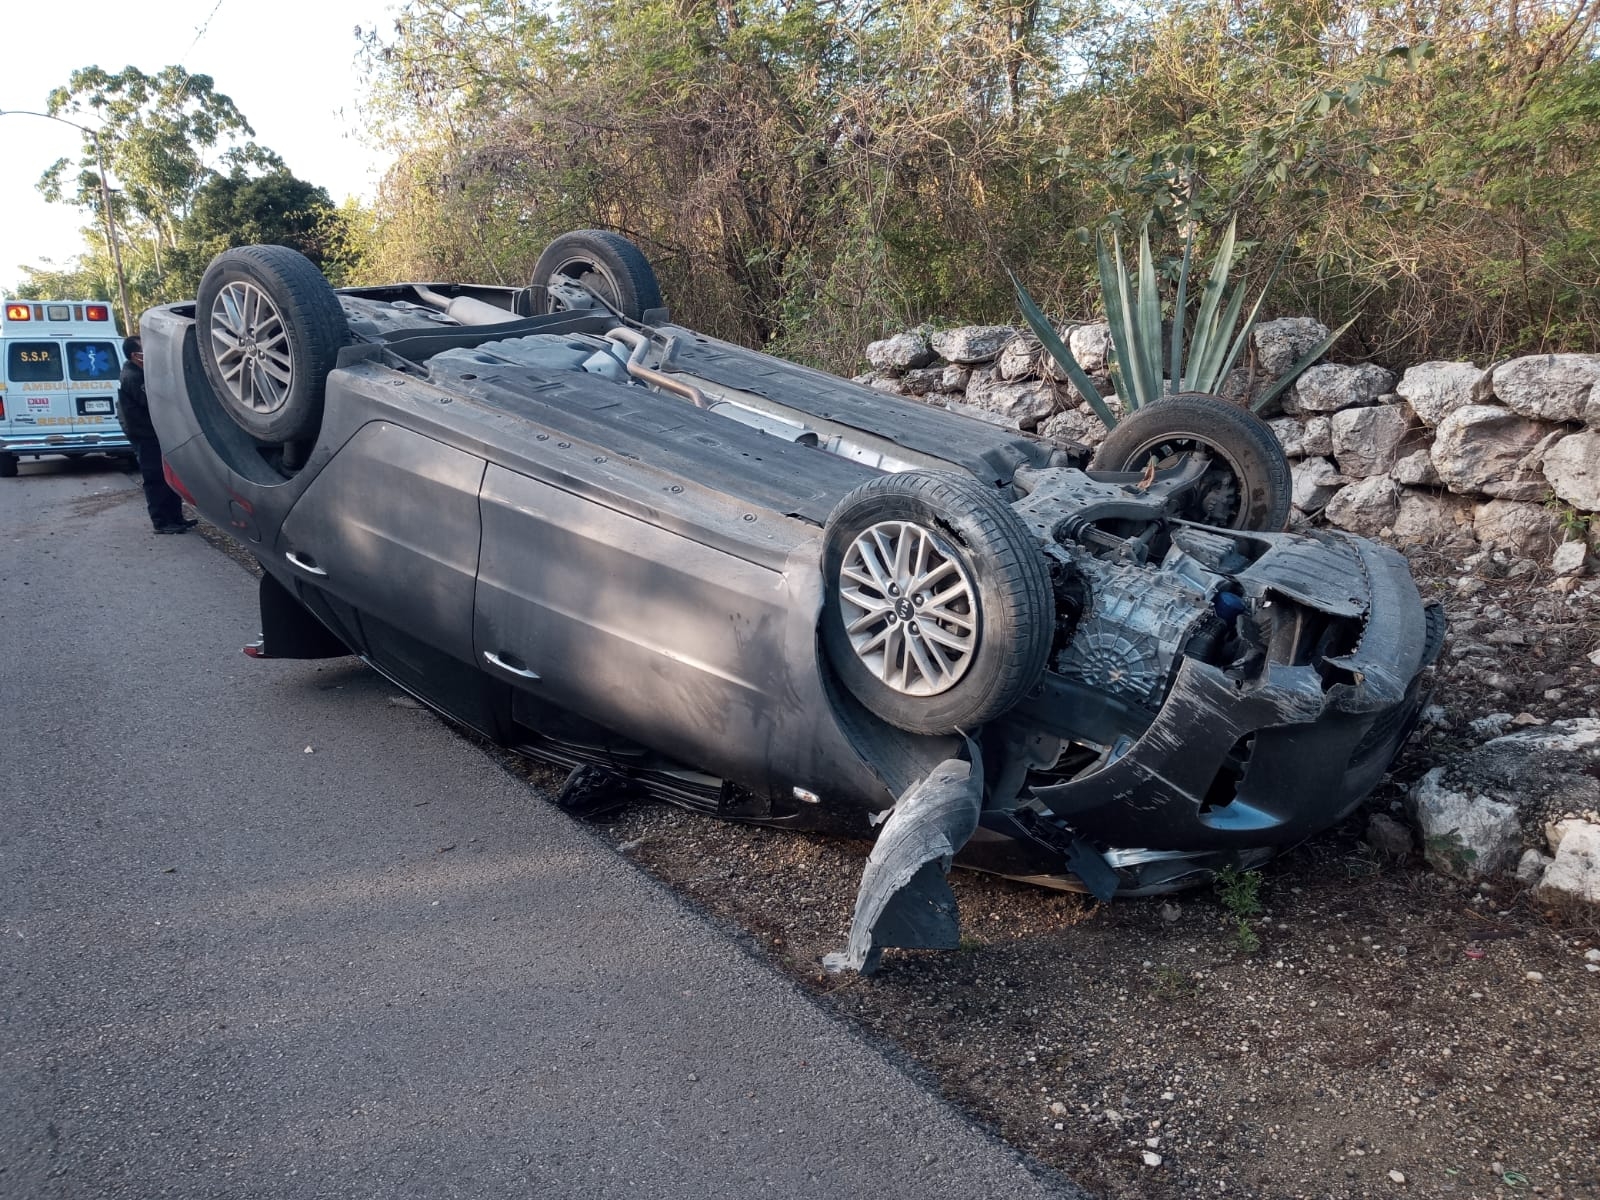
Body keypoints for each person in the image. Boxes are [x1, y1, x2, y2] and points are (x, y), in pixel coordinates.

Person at [118, 336, 194, 534]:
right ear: (136, 355)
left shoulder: (144, 372)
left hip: (158, 433)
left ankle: (176, 517)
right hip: (146, 435)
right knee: (155, 478)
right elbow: (152, 402)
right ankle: (161, 521)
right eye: (145, 349)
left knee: (169, 475)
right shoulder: (133, 376)